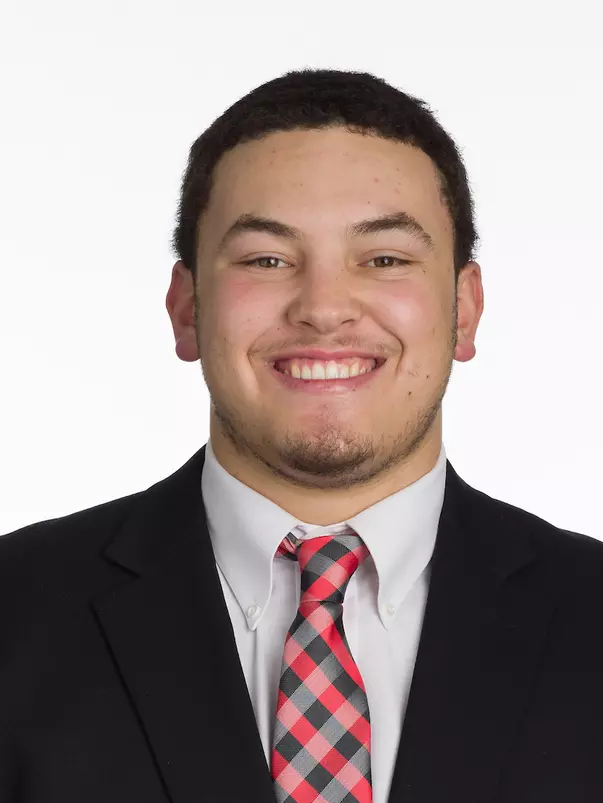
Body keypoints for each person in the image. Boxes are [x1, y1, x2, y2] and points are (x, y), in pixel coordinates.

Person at [1, 68, 602, 803]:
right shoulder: (17, 611)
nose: (323, 308)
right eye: (266, 259)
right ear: (187, 309)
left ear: (464, 308)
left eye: (383, 259)